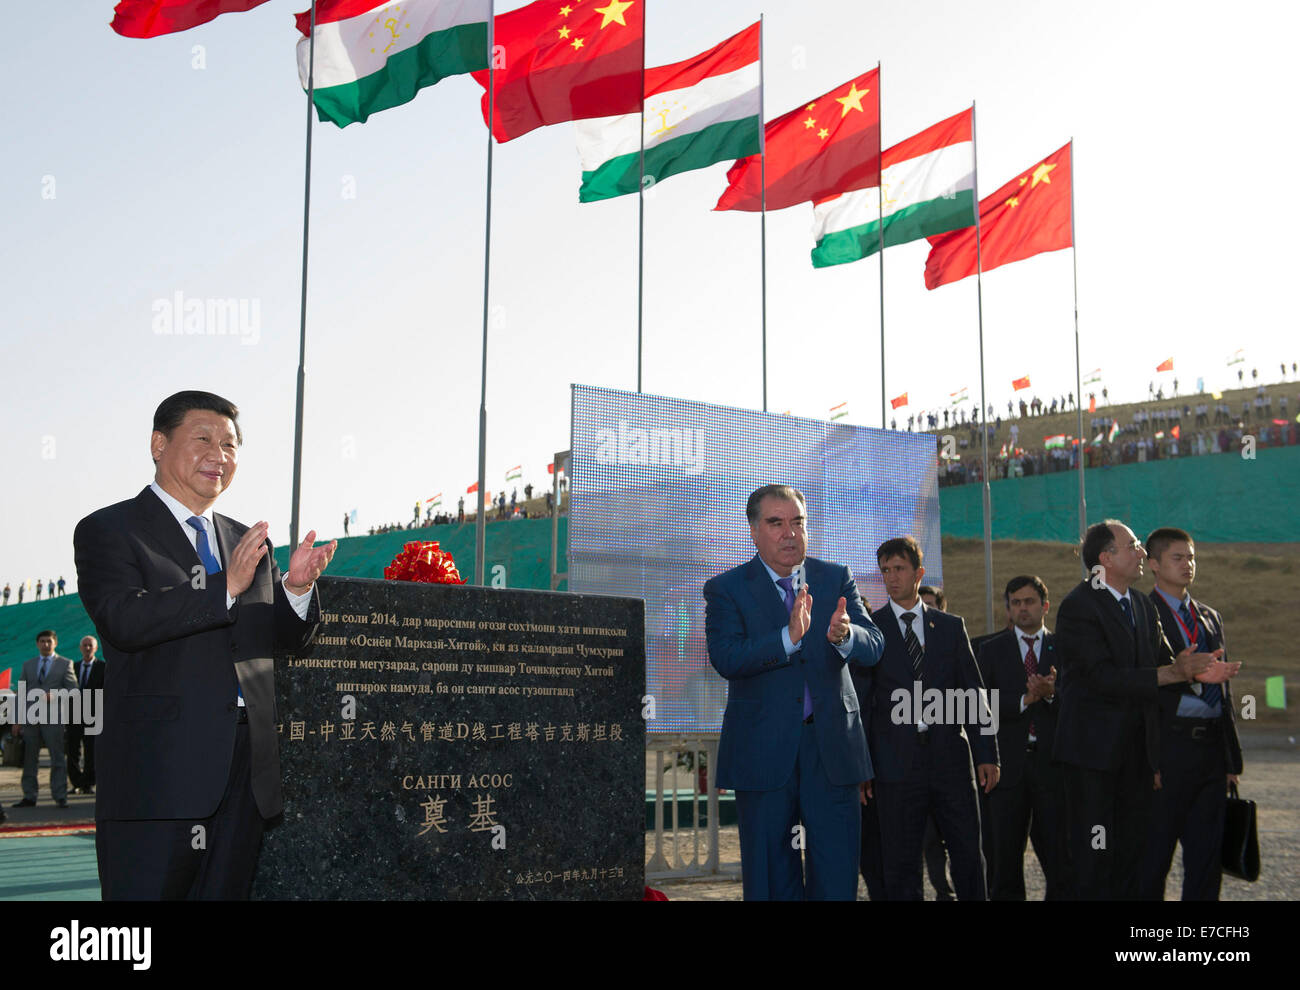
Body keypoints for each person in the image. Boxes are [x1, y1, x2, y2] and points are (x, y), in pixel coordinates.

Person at [73, 390, 336, 900]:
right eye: (203, 439)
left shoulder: (247, 542)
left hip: (244, 772)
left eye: (231, 445)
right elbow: (124, 619)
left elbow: (282, 640)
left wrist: (296, 591)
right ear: (158, 443)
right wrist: (225, 587)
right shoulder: (111, 529)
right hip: (159, 777)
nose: (220, 455)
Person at [704, 484, 885, 900]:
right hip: (763, 752)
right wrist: (786, 639)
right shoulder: (727, 588)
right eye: (776, 523)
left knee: (837, 875)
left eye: (798, 522)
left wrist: (845, 636)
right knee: (771, 877)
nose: (790, 533)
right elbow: (726, 657)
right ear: (753, 531)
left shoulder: (834, 577)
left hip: (833, 751)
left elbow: (874, 646)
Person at [1052, 520, 1214, 899]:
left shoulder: (1142, 605)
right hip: (1092, 760)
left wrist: (1192, 670)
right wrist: (1169, 673)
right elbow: (1100, 677)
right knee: (1093, 858)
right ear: (1106, 558)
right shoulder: (1078, 606)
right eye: (1134, 545)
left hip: (1136, 760)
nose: (1141, 552)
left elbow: (1163, 665)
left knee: (1132, 858)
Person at [863, 537, 998, 900]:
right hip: (895, 765)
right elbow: (862, 705)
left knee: (968, 854)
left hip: (950, 760)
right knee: (901, 861)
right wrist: (862, 768)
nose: (892, 577)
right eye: (886, 570)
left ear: (919, 573)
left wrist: (987, 754)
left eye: (900, 569)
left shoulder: (951, 627)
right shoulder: (871, 631)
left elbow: (974, 693)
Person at [1141, 527, 1243, 900]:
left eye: (1192, 557)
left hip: (1211, 757)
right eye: (1178, 558)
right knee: (1152, 862)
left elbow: (1224, 694)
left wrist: (1231, 760)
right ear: (1153, 564)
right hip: (1167, 755)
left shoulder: (1209, 617)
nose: (1188, 565)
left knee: (1205, 865)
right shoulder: (1140, 614)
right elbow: (1141, 690)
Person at [977, 576, 1068, 899]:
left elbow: (1084, 703)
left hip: (1053, 769)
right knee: (1003, 861)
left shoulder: (1065, 650)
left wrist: (1053, 693)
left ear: (1045, 606)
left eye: (1029, 602)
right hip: (1005, 769)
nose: (1022, 608)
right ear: (1008, 609)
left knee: (1061, 859)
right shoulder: (987, 649)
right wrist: (1022, 700)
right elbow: (976, 702)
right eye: (1015, 603)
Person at [12, 630, 78, 808]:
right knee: (29, 759)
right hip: (30, 719)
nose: (45, 644)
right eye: (42, 641)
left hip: (53, 719)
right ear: (37, 644)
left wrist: (55, 695)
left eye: (49, 641)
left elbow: (74, 690)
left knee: (57, 758)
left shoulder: (65, 664)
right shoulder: (28, 665)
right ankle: (29, 796)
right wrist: (17, 720)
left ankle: (60, 795)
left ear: (55, 643)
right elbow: (21, 693)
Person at [66, 635, 105, 795]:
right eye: (85, 645)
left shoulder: (103, 667)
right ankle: (76, 782)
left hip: (94, 716)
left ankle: (88, 783)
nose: (87, 648)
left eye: (90, 645)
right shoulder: (72, 667)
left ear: (95, 648)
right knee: (72, 751)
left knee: (91, 751)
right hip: (74, 715)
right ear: (80, 648)